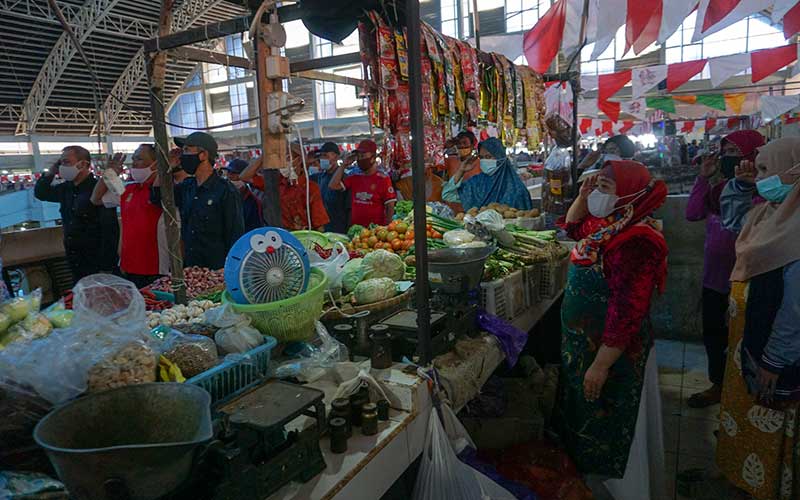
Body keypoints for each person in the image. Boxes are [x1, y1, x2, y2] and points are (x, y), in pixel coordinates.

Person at [558, 160, 669, 499]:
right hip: (586, 346)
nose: (598, 192)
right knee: (585, 421)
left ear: (629, 193)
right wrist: (583, 195)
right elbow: (574, 230)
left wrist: (602, 365)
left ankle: (618, 492)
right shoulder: (611, 224)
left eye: (605, 187)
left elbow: (627, 313)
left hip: (614, 356)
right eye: (597, 185)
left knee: (612, 424)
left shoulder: (638, 240)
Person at [715, 138, 800, 500]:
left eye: (766, 170)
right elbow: (733, 223)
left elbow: (795, 309)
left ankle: (766, 488)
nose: (760, 178)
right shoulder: (768, 213)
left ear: (793, 171)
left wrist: (774, 359)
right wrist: (740, 186)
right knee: (748, 418)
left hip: (773, 353)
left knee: (769, 426)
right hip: (748, 345)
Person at [685, 129, 765, 408]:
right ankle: (718, 386)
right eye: (726, 152)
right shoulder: (719, 190)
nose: (730, 158)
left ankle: (742, 400)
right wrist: (703, 178)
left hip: (747, 281)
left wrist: (748, 187)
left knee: (743, 341)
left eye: (736, 152)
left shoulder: (767, 193)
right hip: (715, 278)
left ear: (753, 156)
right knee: (714, 336)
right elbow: (692, 213)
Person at [152, 132, 244, 270]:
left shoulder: (226, 190)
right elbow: (157, 197)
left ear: (204, 155)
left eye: (187, 150)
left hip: (217, 270)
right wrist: (167, 167)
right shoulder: (187, 187)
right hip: (191, 268)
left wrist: (230, 270)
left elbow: (235, 234)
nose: (183, 155)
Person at [34, 146, 119, 283]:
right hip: (75, 259)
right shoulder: (65, 189)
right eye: (61, 163)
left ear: (83, 164)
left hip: (97, 261)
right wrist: (51, 172)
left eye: (66, 162)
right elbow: (41, 193)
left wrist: (107, 266)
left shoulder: (98, 188)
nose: (62, 166)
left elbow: (110, 229)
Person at [89, 144, 165, 289]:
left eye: (139, 159)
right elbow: (95, 199)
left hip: (157, 268)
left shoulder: (165, 192)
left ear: (156, 164)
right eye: (133, 159)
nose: (134, 163)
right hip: (129, 266)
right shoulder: (129, 189)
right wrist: (110, 172)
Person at [441, 137, 532, 211]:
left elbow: (526, 220)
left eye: (488, 157)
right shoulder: (476, 183)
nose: (484, 161)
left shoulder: (517, 189)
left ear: (500, 158)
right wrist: (461, 171)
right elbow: (447, 195)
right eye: (481, 157)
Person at [328, 139, 396, 227]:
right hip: (356, 230)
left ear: (373, 157)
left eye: (363, 155)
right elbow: (333, 185)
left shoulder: (383, 178)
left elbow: (390, 206)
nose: (360, 159)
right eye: (358, 156)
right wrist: (343, 165)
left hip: (376, 231)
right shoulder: (354, 176)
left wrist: (387, 228)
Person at [279, 143, 330, 231]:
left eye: (286, 158)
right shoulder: (277, 183)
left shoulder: (310, 187)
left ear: (298, 160)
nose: (282, 163)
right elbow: (247, 177)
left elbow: (319, 224)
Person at [309, 142, 350, 234]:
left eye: (326, 156)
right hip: (323, 228)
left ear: (336, 157)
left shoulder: (344, 177)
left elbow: (348, 208)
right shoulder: (320, 177)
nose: (322, 159)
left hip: (339, 228)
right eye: (321, 156)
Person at [224, 158, 263, 232]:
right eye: (228, 172)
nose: (229, 176)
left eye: (233, 173)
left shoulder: (253, 200)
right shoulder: (223, 195)